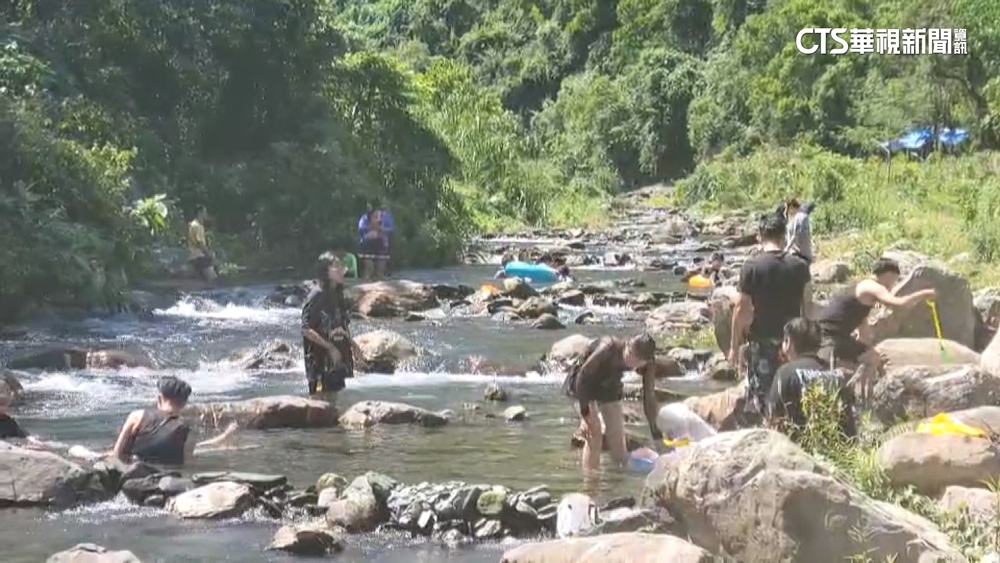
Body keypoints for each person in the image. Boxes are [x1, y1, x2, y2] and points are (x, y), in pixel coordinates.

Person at [729, 213, 812, 415]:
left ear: (759, 236)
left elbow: (741, 310)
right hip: (792, 342)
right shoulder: (800, 266)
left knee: (764, 397)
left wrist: (734, 346)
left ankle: (769, 432)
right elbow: (808, 308)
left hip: (762, 342)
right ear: (784, 236)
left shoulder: (752, 267)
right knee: (793, 394)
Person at [815, 258, 936, 396]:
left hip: (828, 333)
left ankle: (862, 388)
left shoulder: (862, 297)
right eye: (894, 280)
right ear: (888, 274)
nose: (893, 285)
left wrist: (871, 350)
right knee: (871, 360)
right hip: (831, 336)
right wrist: (924, 294)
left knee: (872, 357)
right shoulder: (872, 286)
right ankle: (867, 395)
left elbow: (864, 333)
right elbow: (898, 304)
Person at [563, 334, 658, 471]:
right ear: (628, 344)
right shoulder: (608, 347)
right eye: (630, 353)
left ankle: (616, 486)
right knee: (594, 434)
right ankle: (591, 483)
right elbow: (583, 377)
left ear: (645, 361)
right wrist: (585, 414)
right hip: (582, 385)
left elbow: (649, 397)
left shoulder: (649, 364)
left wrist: (656, 434)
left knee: (618, 444)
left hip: (608, 388)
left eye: (637, 360)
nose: (630, 359)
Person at [112, 376, 238, 466]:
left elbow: (117, 452)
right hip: (164, 483)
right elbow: (185, 464)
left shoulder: (137, 416)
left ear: (159, 398)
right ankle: (221, 440)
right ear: (183, 404)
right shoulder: (187, 432)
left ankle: (221, 440)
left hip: (132, 474)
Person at [768, 317, 858, 437]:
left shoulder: (785, 374)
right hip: (838, 448)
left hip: (798, 449)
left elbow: (774, 417)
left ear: (788, 343)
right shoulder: (835, 374)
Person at [301, 252, 361, 402]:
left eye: (343, 266)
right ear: (325, 271)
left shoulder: (338, 294)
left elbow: (342, 323)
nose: (343, 270)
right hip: (319, 361)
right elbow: (306, 330)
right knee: (319, 406)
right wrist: (330, 348)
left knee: (334, 402)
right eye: (337, 267)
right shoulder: (316, 296)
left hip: (337, 359)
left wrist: (353, 345)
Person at [187, 206, 216, 282]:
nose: (206, 214)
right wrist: (209, 254)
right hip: (199, 257)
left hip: (194, 256)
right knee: (212, 278)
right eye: (204, 212)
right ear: (200, 213)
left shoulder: (194, 225)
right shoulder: (197, 226)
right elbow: (200, 243)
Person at [783, 198, 813, 263]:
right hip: (800, 251)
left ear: (791, 207)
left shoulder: (800, 217)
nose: (788, 212)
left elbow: (796, 235)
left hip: (800, 253)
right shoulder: (799, 217)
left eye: (788, 209)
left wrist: (786, 249)